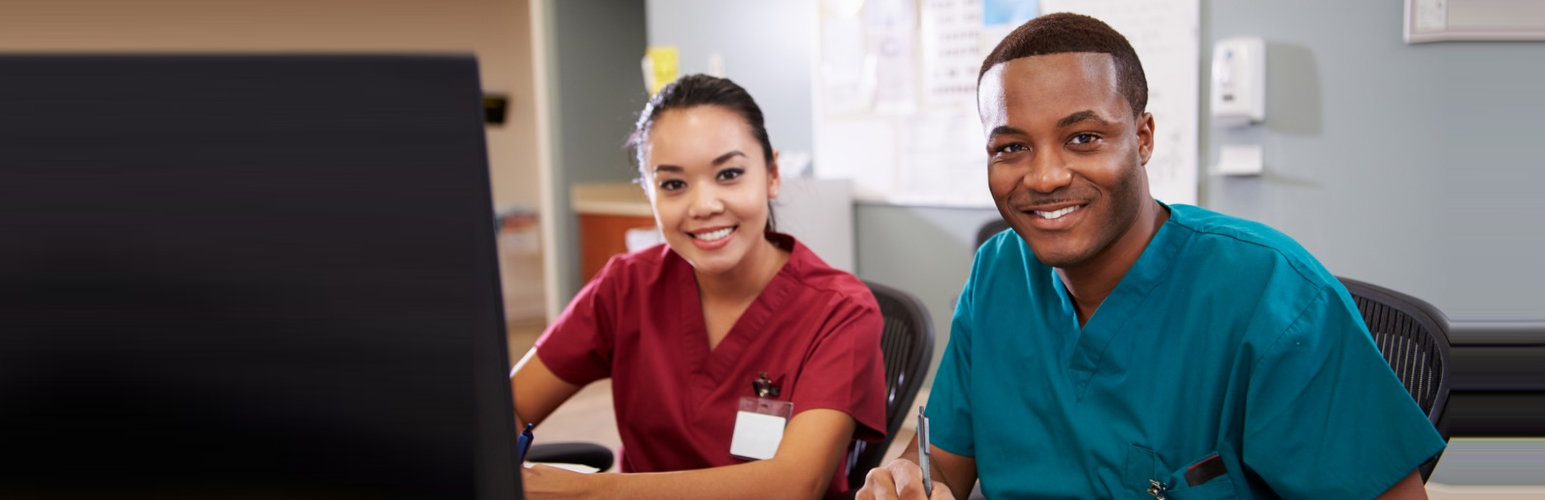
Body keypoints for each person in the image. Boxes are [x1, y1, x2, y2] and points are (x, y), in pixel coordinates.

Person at [858, 13, 1444, 500]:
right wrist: (908, 477)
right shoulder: (997, 276)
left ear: (1142, 138)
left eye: (1083, 138)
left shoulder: (1274, 297)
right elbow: (943, 463)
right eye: (1011, 147)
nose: (1045, 176)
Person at [513, 74, 887, 500]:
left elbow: (795, 483)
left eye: (729, 174)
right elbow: (507, 404)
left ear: (772, 175)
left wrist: (586, 491)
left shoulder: (840, 311)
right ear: (649, 195)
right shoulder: (625, 288)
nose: (704, 206)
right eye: (673, 184)